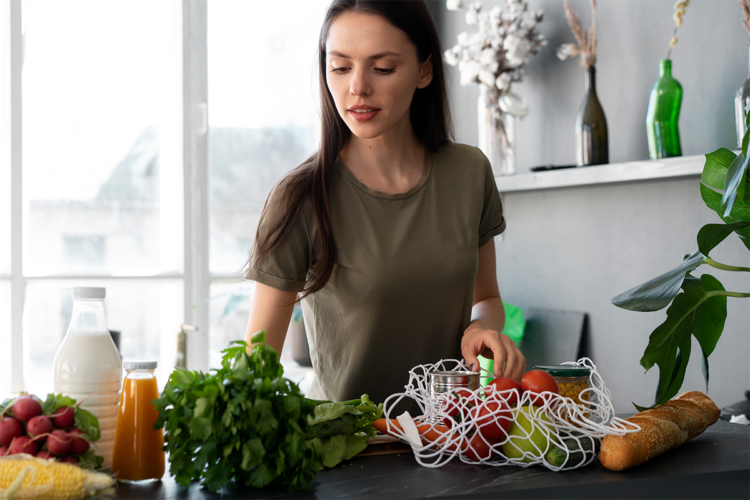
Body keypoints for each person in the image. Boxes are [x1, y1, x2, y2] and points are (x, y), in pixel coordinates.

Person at [244, 0, 525, 405]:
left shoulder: (469, 172)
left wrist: (479, 329)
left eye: (383, 68)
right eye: (340, 67)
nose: (357, 87)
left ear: (424, 70)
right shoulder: (300, 196)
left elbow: (487, 300)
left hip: (447, 441)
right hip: (344, 450)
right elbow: (255, 367)